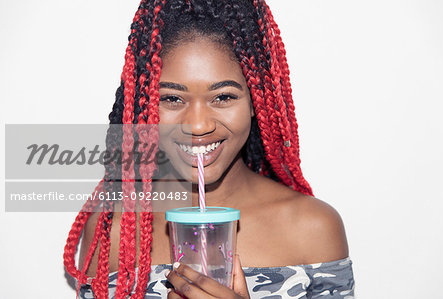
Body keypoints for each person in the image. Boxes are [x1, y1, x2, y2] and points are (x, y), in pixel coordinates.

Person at [63, 0, 355, 298]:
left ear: (257, 101)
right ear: (145, 105)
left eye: (224, 97)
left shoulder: (312, 228)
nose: (199, 125)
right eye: (172, 99)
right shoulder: (112, 230)